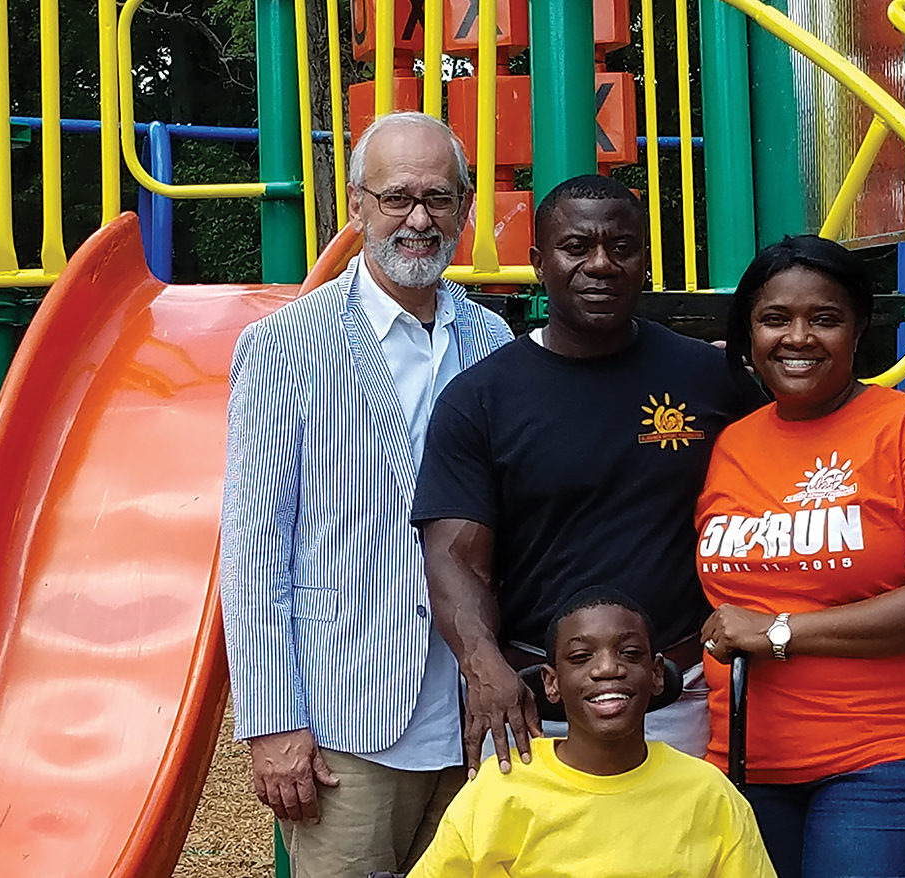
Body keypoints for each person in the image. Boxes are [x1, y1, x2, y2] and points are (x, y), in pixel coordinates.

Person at [219, 111, 513, 878]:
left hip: (478, 721)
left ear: (466, 208)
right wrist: (274, 723)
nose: (419, 218)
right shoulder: (283, 346)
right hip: (349, 724)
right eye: (397, 197)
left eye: (439, 198)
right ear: (356, 207)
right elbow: (253, 552)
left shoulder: (495, 345)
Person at [411, 174, 763, 774]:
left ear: (644, 263)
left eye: (621, 247)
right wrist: (483, 666)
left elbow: (788, 481)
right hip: (538, 708)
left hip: (681, 697)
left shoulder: (712, 378)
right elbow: (455, 560)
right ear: (539, 262)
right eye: (576, 247)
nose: (600, 264)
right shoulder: (482, 398)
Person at [696, 235, 905, 878]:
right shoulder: (731, 446)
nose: (798, 337)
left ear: (858, 330)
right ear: (747, 333)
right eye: (775, 319)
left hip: (891, 755)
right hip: (742, 760)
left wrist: (778, 634)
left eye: (823, 319)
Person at [407, 588, 778, 878]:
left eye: (630, 653)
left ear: (656, 674)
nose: (607, 669)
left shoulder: (708, 794)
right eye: (581, 657)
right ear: (551, 683)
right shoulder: (499, 790)